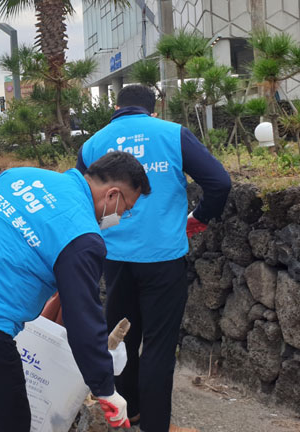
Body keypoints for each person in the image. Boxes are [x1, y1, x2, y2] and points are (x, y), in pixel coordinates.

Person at [0, 151, 151, 431]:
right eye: (125, 209)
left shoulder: (20, 175)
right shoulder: (82, 236)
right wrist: (105, 387)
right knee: (11, 423)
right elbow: (82, 319)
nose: (120, 217)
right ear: (112, 195)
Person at [76, 85, 231, 432]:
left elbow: (81, 198)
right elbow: (219, 182)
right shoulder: (173, 134)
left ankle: (129, 414)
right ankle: (156, 425)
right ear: (153, 110)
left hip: (114, 258)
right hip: (164, 257)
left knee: (122, 337)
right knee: (159, 346)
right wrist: (199, 218)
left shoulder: (94, 143)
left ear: (115, 107)